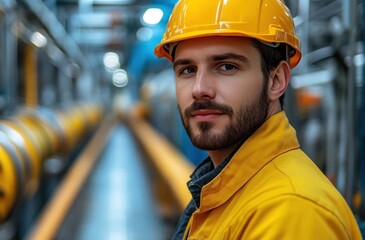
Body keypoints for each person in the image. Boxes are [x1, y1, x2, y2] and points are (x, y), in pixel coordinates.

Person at [154, 0, 362, 239]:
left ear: (276, 81)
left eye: (226, 66)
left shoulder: (291, 212)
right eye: (187, 70)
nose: (200, 89)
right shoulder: (220, 191)